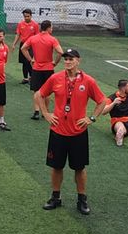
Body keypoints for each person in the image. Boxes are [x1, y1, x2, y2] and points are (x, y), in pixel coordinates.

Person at [35, 49, 106, 215]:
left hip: (78, 133)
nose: (67, 62)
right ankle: (55, 197)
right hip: (58, 131)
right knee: (56, 166)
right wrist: (46, 113)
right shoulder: (55, 78)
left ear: (78, 61)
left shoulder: (88, 81)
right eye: (65, 59)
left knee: (79, 168)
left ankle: (82, 199)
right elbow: (39, 94)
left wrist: (92, 118)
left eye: (70, 59)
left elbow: (102, 101)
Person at [22, 20, 64, 120]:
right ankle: (46, 112)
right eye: (52, 27)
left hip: (36, 68)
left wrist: (31, 59)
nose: (52, 29)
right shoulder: (52, 39)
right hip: (48, 68)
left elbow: (23, 48)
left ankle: (36, 111)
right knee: (47, 92)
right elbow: (60, 52)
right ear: (48, 28)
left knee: (36, 91)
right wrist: (55, 62)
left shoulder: (33, 38)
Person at [11, 9, 39, 84]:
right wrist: (14, 44)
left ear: (31, 16)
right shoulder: (20, 24)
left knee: (29, 61)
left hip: (31, 45)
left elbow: (37, 36)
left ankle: (31, 78)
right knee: (24, 62)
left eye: (28, 16)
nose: (26, 18)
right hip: (23, 44)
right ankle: (25, 78)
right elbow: (18, 35)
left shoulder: (35, 25)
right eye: (25, 16)